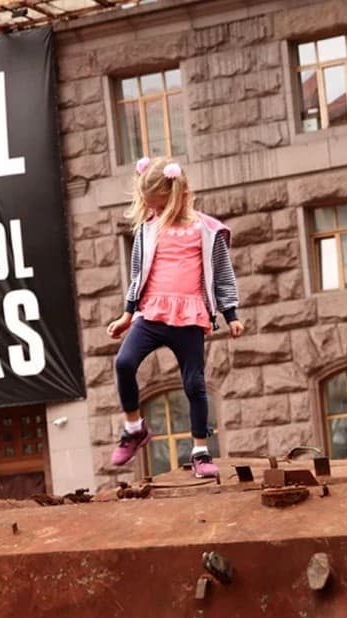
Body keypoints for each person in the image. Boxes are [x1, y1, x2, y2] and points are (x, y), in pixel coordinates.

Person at [106, 156, 245, 479]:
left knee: (194, 384)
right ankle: (133, 429)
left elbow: (223, 275)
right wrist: (128, 314)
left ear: (178, 194)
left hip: (189, 315)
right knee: (124, 363)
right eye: (149, 205)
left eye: (158, 204)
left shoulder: (207, 231)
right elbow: (138, 274)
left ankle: (200, 451)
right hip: (152, 313)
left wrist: (231, 314)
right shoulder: (148, 229)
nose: (152, 211)